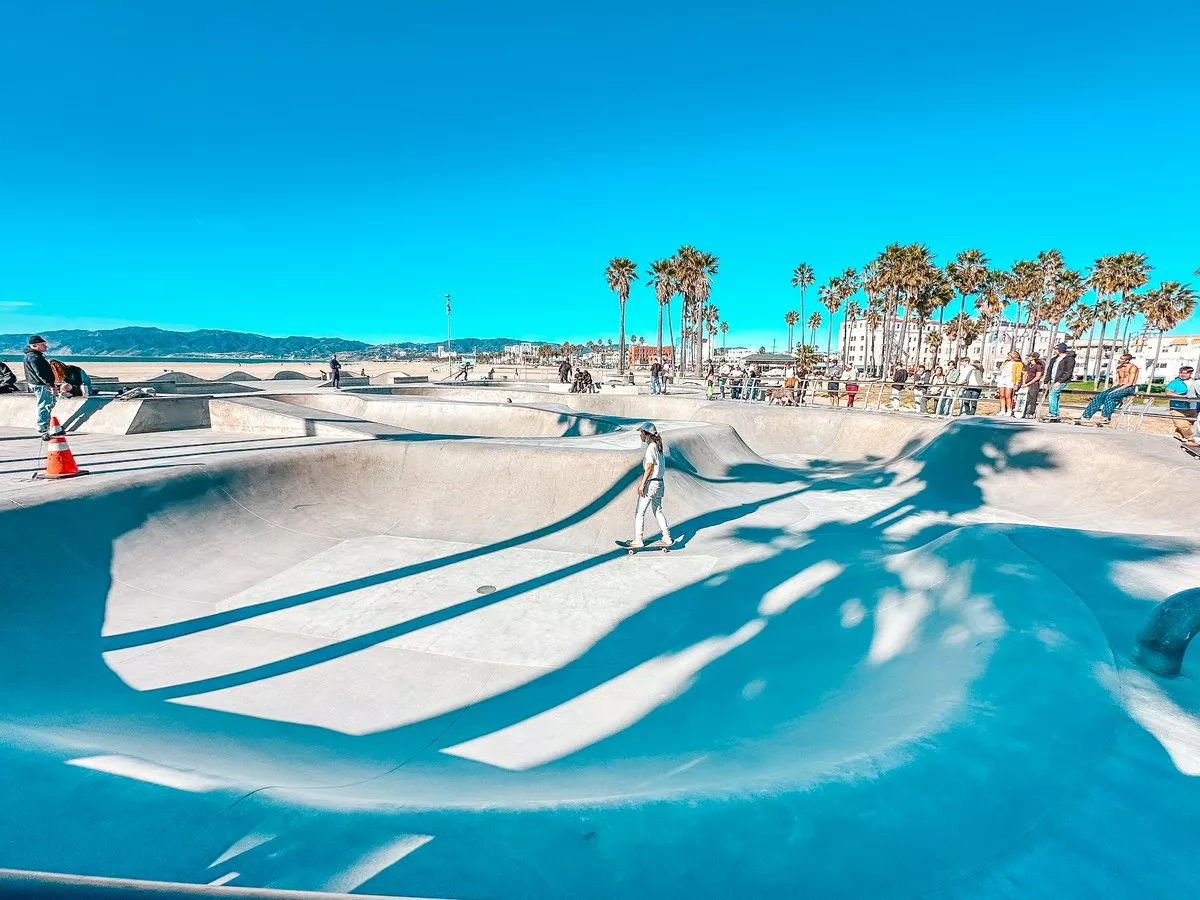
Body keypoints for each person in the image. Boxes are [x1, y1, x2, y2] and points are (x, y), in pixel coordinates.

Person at [629, 422, 673, 548]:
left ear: (646, 434)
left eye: (641, 433)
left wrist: (642, 484)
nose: (640, 435)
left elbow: (649, 467)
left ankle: (638, 540)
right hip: (660, 484)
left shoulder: (651, 448)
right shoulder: (659, 448)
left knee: (639, 512)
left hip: (651, 484)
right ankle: (667, 537)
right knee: (658, 511)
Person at [1082, 353, 1139, 424]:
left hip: (1129, 387)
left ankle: (1106, 417)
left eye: (1122, 359)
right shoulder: (1119, 368)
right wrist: (1111, 389)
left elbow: (1130, 383)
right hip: (1119, 386)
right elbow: (1117, 381)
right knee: (1099, 397)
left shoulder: (1133, 368)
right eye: (1120, 358)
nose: (1120, 360)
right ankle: (1086, 416)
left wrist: (1115, 390)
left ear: (1127, 361)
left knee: (1111, 396)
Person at [23, 335, 57, 436]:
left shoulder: (33, 355)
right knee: (44, 404)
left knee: (49, 402)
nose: (46, 346)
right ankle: (43, 426)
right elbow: (41, 373)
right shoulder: (34, 357)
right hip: (40, 384)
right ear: (35, 346)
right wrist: (50, 385)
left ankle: (47, 424)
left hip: (37, 383)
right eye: (43, 345)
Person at [1164, 365, 1199, 442]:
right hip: (1178, 408)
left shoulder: (1195, 382)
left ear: (1190, 373)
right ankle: (1192, 439)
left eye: (1186, 373)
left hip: (1193, 408)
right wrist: (1182, 397)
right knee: (1181, 425)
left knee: (1184, 427)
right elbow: (1168, 393)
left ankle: (1176, 440)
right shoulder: (1175, 382)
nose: (1183, 375)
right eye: (1181, 373)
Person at [1043, 343, 1076, 422]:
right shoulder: (1054, 359)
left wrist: (1060, 381)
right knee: (1055, 396)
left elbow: (1068, 372)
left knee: (1053, 394)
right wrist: (1046, 381)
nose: (1055, 351)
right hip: (1052, 380)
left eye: (1056, 349)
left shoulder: (1069, 359)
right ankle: (1056, 415)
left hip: (1061, 380)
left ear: (1061, 350)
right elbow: (1049, 370)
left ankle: (1053, 413)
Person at [995, 351, 1023, 417]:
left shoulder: (1018, 363)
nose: (1007, 357)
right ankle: (1002, 410)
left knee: (1008, 395)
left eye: (1009, 356)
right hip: (1003, 378)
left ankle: (1009, 410)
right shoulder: (1005, 363)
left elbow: (1018, 374)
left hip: (1010, 379)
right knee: (1002, 395)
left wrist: (1016, 383)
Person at [1019, 352, 1045, 419]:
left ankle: (1031, 412)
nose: (1028, 358)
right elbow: (1025, 374)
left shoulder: (1038, 366)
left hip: (1034, 384)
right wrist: (1024, 383)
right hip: (1026, 383)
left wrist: (1028, 383)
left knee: (1032, 398)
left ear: (1034, 357)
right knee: (1025, 398)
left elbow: (1038, 377)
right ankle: (1023, 412)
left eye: (1030, 356)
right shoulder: (1028, 365)